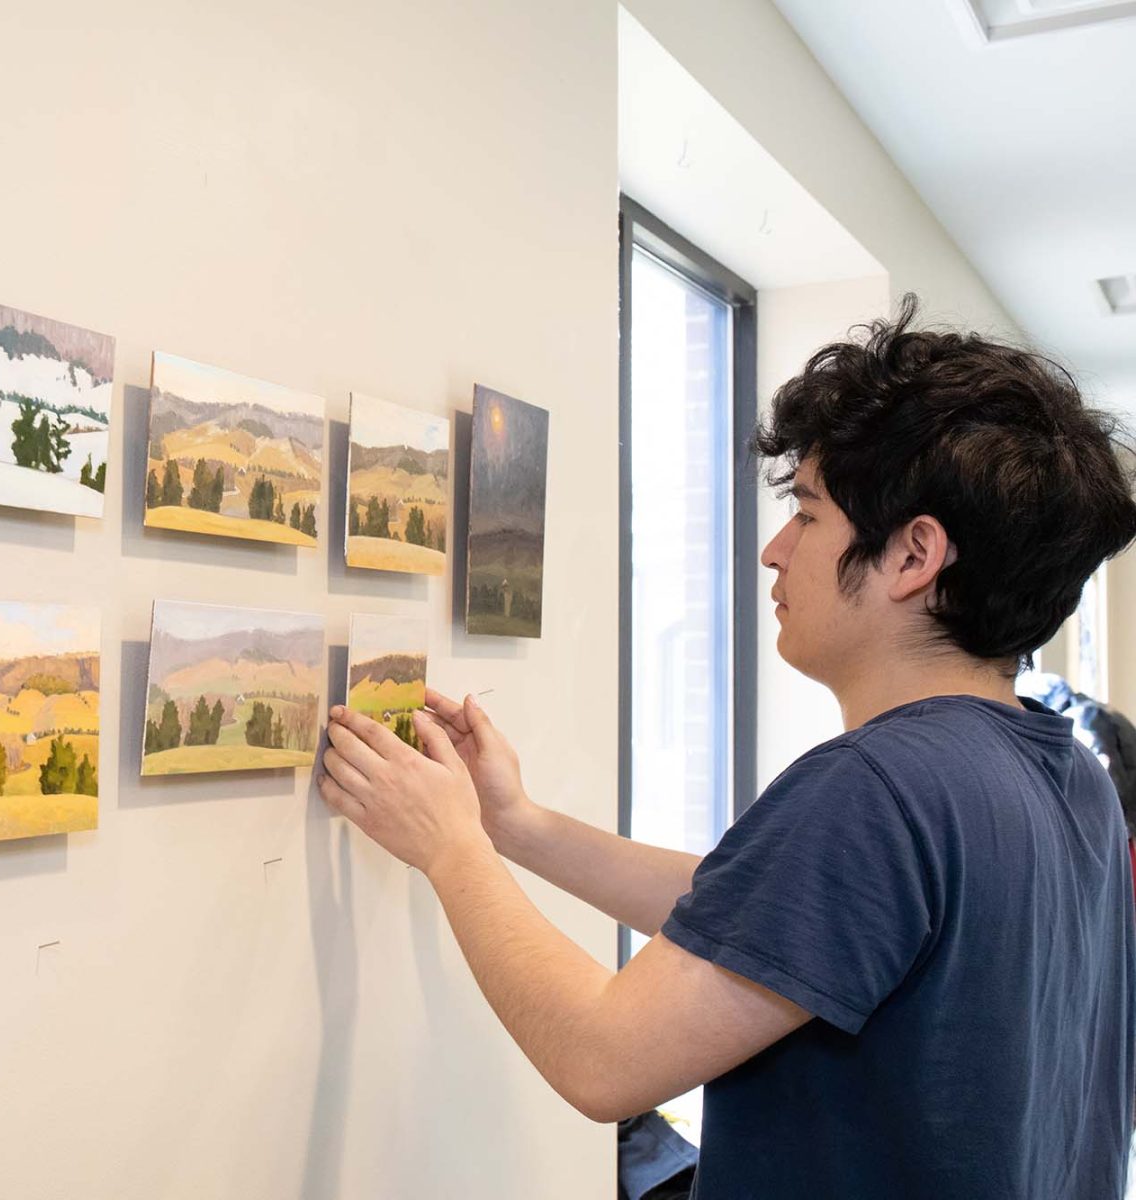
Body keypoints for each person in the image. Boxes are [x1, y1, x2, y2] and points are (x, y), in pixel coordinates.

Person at [320, 298, 1136, 1197]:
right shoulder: (1064, 777)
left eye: (810, 516)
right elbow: (777, 919)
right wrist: (517, 826)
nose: (774, 552)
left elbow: (603, 1059)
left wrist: (451, 850)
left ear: (913, 557)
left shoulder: (880, 787)